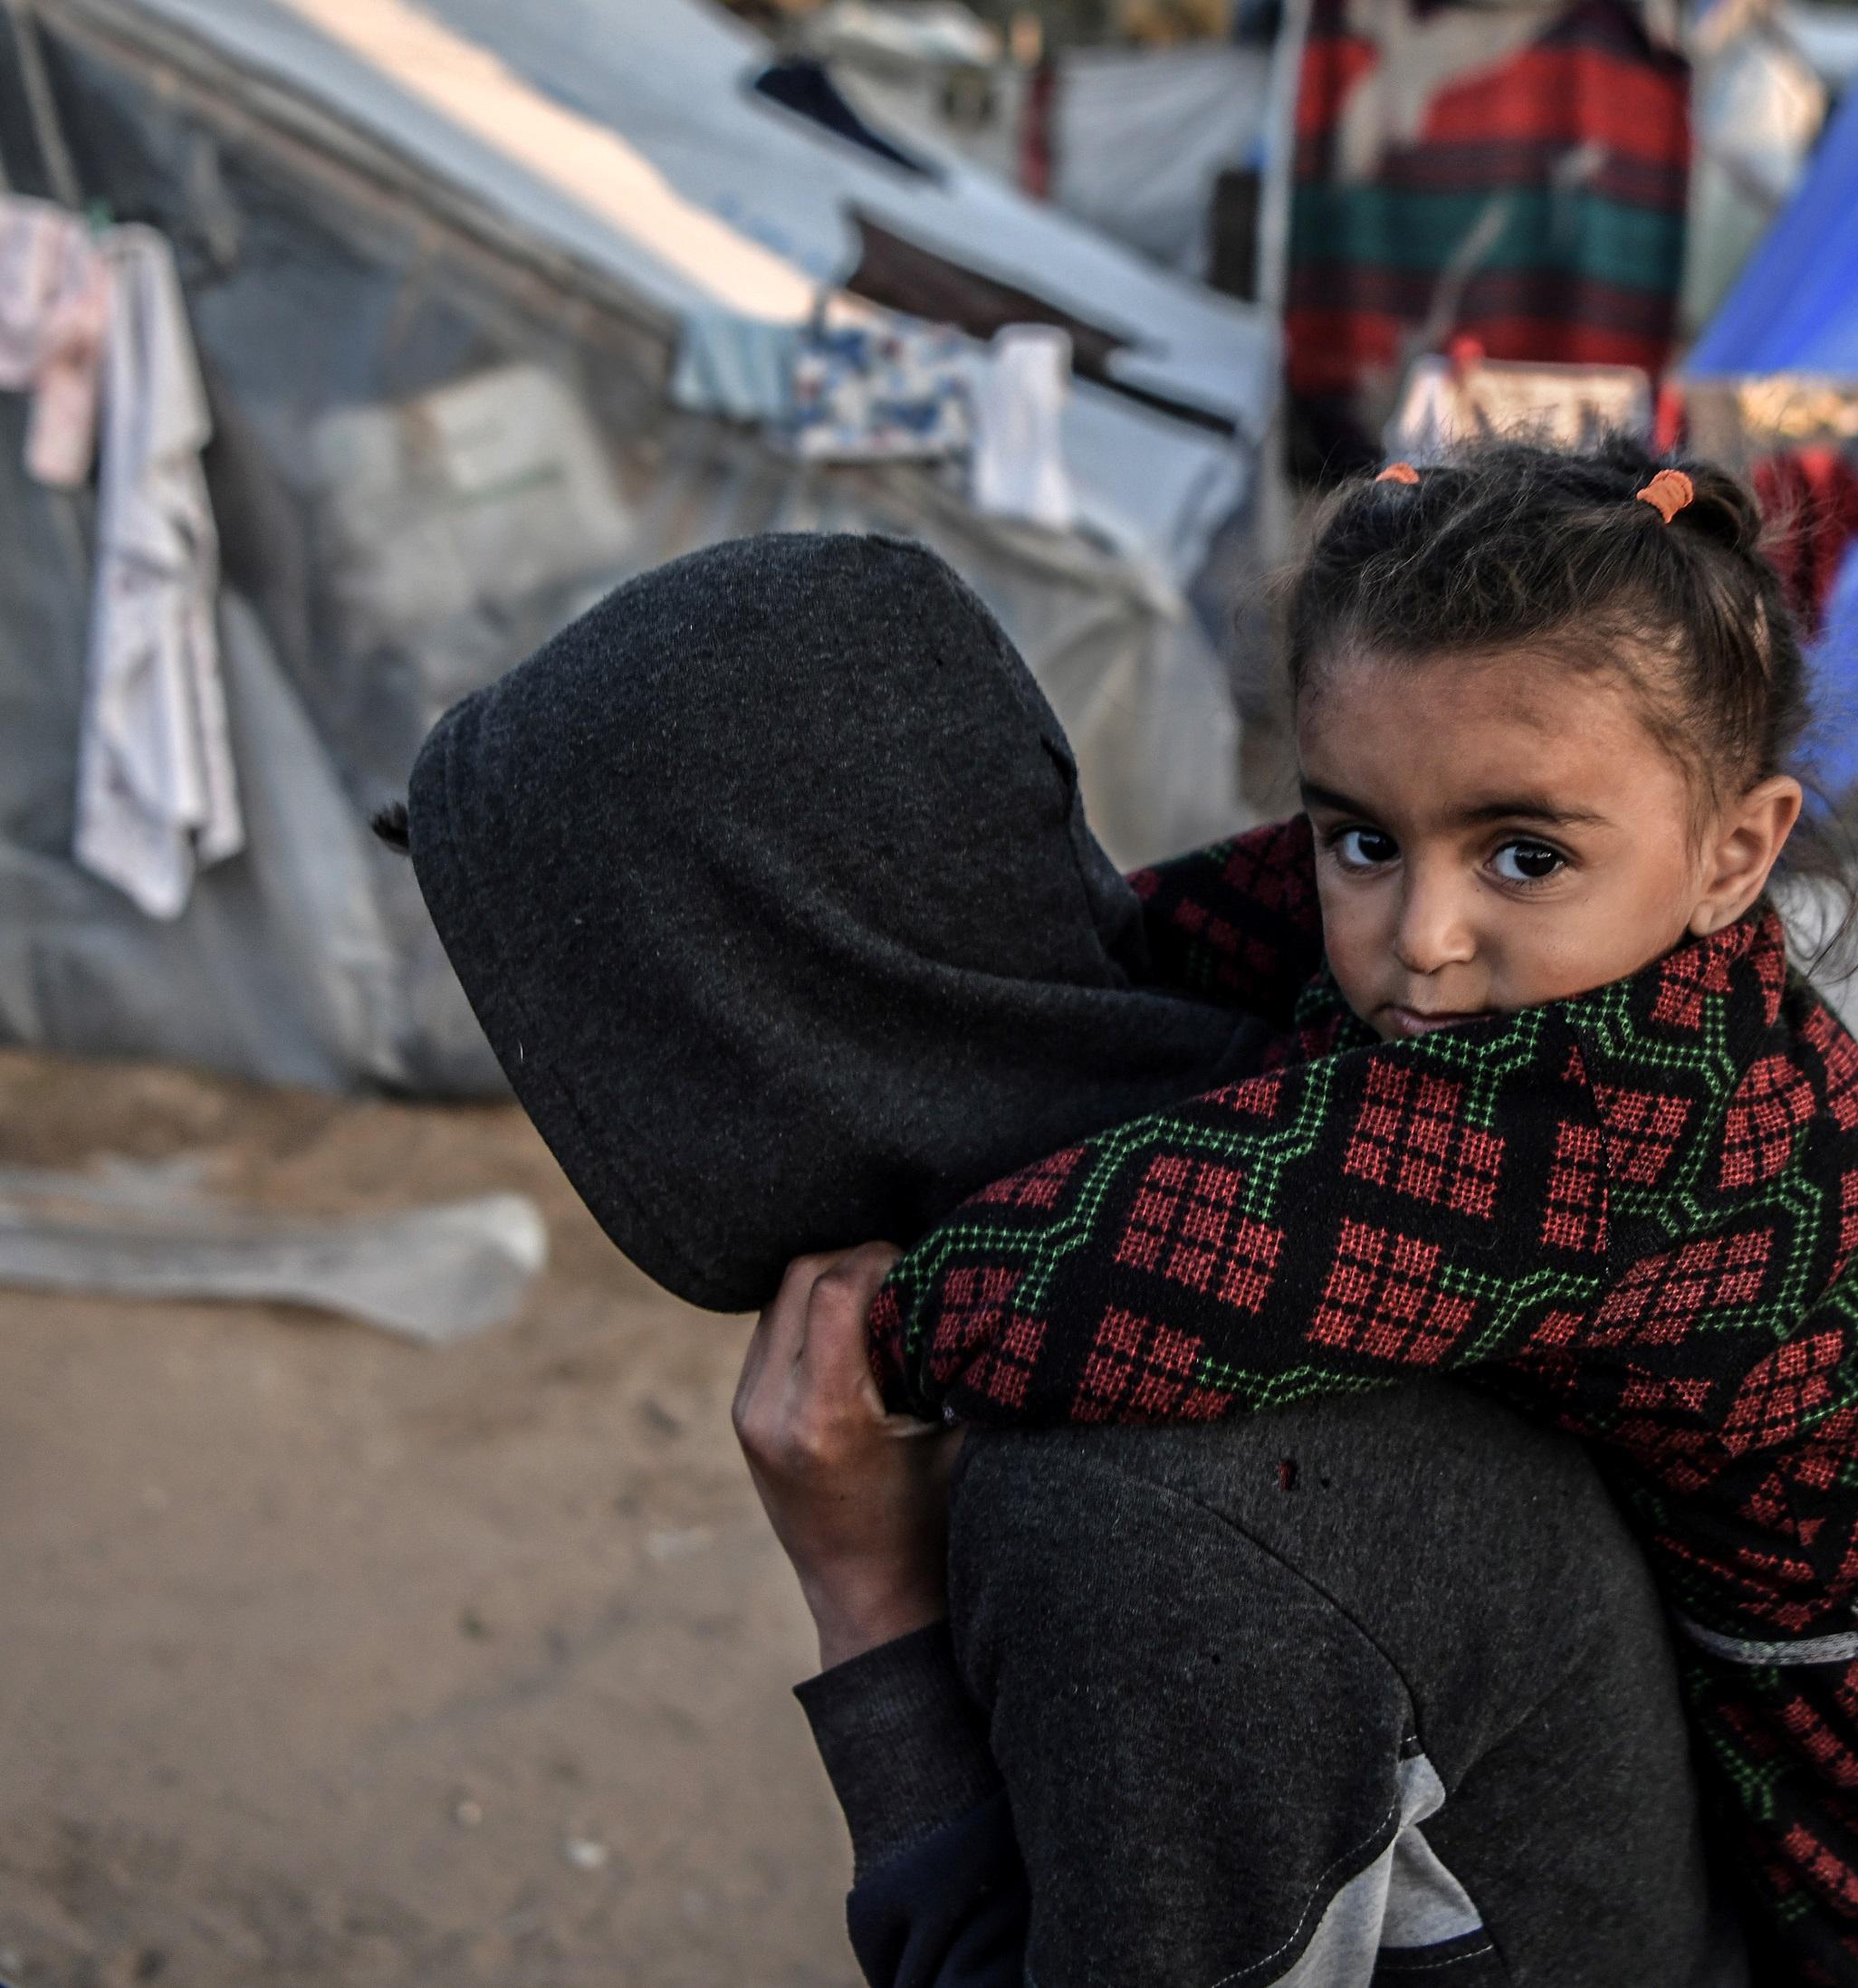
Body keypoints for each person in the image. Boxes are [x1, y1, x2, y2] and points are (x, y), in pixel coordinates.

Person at [790, 439, 1858, 1986]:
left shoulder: (1619, 1116)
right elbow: (1176, 936)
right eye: (1362, 834)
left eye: (1524, 855)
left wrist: (887, 1326)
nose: (1419, 936)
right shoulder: (1498, 926)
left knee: (1857, 1935)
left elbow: (1152, 1279)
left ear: (1732, 853)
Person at [392, 531, 1748, 1986]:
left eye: (572, 1025)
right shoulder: (1287, 1162)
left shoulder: (1145, 1504)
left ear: (744, 1015)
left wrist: (871, 1603)